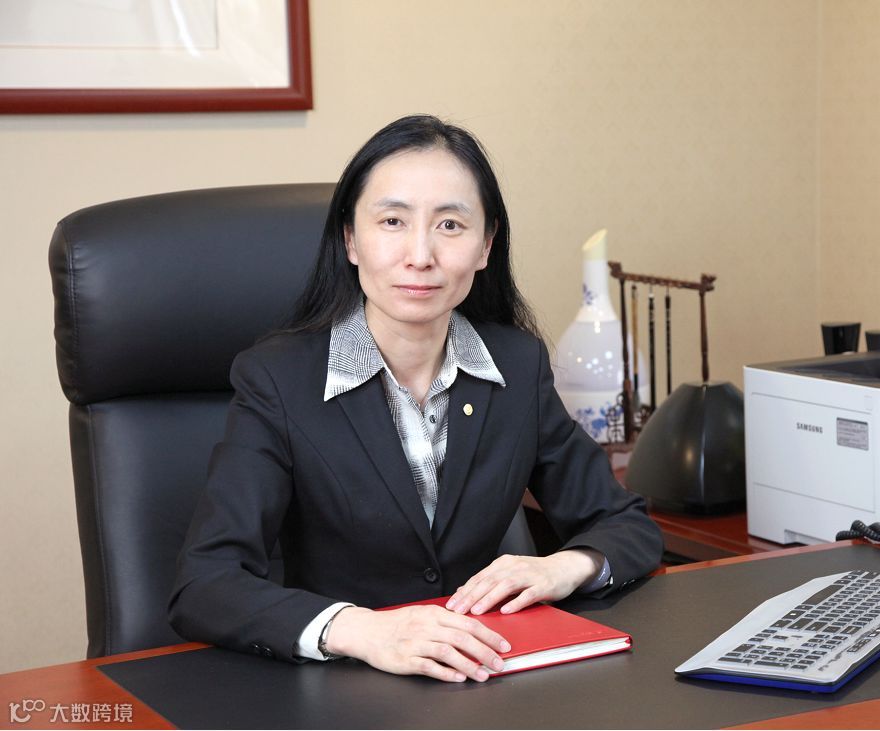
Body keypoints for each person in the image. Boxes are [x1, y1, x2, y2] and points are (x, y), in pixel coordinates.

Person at [168, 114, 663, 683]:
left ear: (486, 245)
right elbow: (205, 584)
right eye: (393, 221)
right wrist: (363, 630)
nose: (421, 254)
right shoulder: (279, 379)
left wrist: (564, 567)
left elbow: (626, 523)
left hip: (482, 676)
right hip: (342, 686)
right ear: (350, 240)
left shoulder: (515, 366)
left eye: (450, 225)